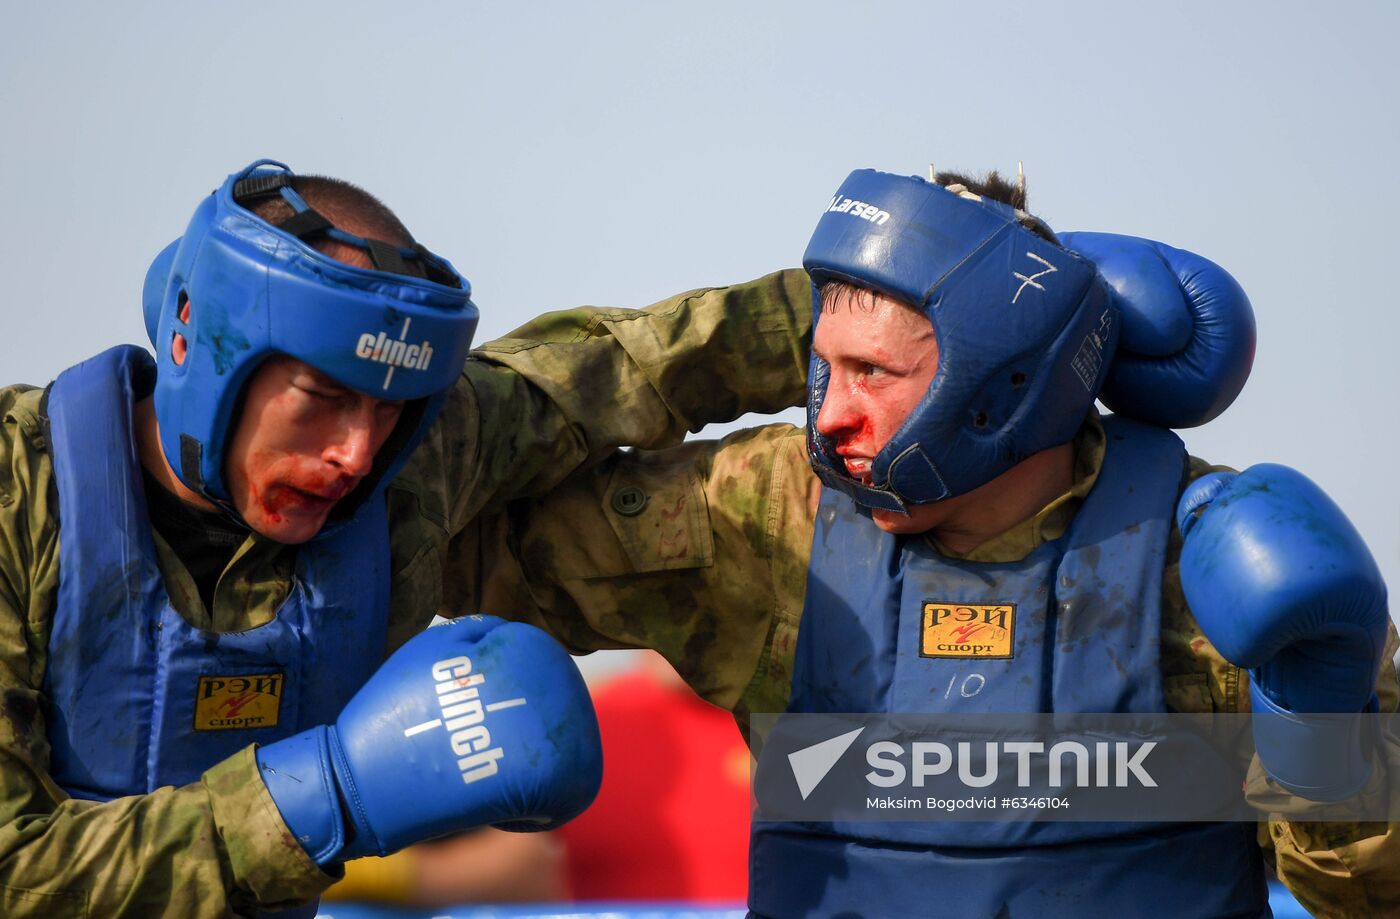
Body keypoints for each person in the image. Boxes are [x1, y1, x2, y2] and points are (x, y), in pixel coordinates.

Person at [461, 167, 1400, 917]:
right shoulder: (766, 512)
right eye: (821, 366)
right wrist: (716, 340)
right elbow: (432, 503)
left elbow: (1372, 898)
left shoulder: (1217, 554)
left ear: (1003, 379)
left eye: (872, 371)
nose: (830, 415)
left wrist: (1321, 733)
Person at [0, 159, 814, 917]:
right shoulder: (20, 498)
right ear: (193, 342)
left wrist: (850, 310)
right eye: (321, 397)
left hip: (829, 773)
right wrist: (329, 796)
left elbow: (619, 367)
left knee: (737, 499)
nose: (356, 453)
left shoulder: (404, 475)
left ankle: (878, 809)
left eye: (386, 409)